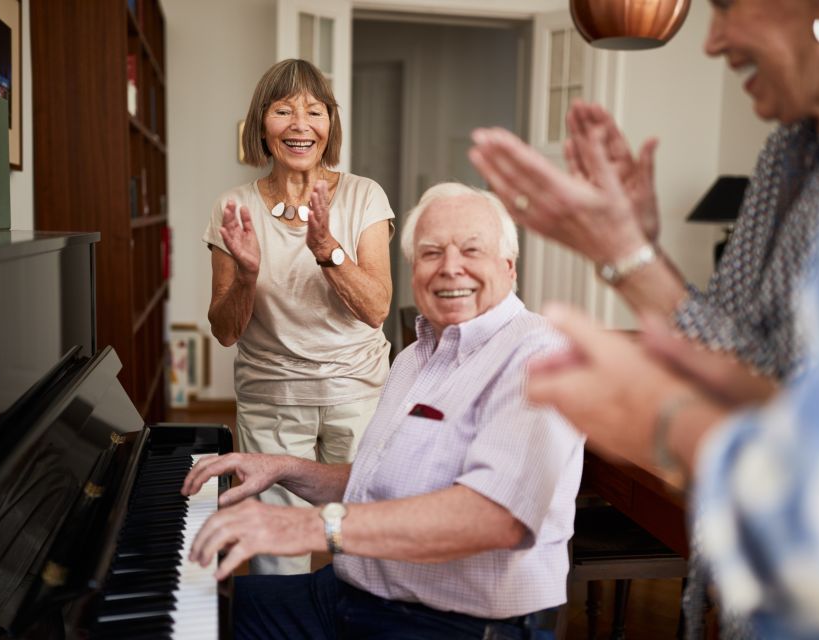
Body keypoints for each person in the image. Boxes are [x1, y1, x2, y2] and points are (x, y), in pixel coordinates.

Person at [469, 0, 819, 633]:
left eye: (724, 8)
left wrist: (664, 420)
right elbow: (739, 352)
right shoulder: (789, 151)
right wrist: (626, 250)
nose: (711, 42)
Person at [184, 183, 585, 640]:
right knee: (193, 614)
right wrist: (285, 469)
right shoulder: (414, 358)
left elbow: (496, 517)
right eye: (431, 253)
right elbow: (382, 484)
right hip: (351, 595)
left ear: (508, 267)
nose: (450, 267)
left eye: (471, 250)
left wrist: (311, 525)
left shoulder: (542, 353)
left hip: (456, 624)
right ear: (414, 272)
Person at [202, 59, 394, 575]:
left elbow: (377, 308)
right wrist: (245, 274)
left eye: (314, 111)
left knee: (360, 553)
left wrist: (327, 248)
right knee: (276, 561)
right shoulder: (234, 207)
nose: (299, 124)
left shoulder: (364, 196)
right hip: (272, 399)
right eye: (282, 110)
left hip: (356, 393)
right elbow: (224, 331)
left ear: (330, 124)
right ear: (260, 125)